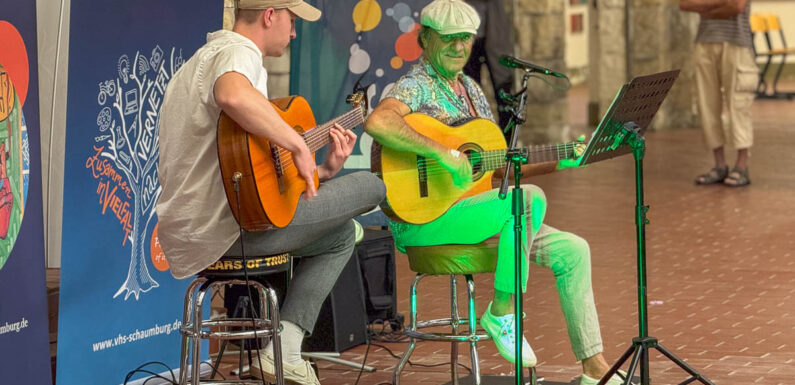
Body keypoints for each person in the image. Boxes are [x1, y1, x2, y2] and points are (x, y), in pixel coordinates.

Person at [365, 1, 626, 384]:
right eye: (449, 39)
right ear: (424, 38)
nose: (459, 47)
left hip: (472, 212)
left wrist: (562, 160)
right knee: (526, 200)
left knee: (574, 250)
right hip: (425, 220)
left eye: (466, 39)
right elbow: (378, 121)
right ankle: (502, 311)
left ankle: (594, 369)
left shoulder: (470, 88)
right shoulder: (415, 84)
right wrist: (443, 153)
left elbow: (495, 166)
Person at [156, 1, 385, 384]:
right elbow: (232, 95)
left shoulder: (197, 61)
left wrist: (325, 169)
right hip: (231, 232)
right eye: (292, 21)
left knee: (340, 236)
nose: (294, 32)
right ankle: (284, 350)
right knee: (372, 185)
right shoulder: (238, 52)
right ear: (270, 14)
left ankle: (285, 349)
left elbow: (253, 176)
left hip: (194, 235)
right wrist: (297, 144)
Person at [680, 0, 756, 187]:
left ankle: (741, 166)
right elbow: (685, 4)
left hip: (736, 43)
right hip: (704, 42)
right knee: (707, 105)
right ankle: (719, 165)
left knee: (738, 104)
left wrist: (706, 8)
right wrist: (722, 4)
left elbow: (737, 6)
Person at [463, 0, 515, 134]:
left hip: (494, 25)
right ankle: (476, 141)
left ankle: (507, 146)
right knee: (468, 94)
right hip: (465, 27)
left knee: (505, 94)